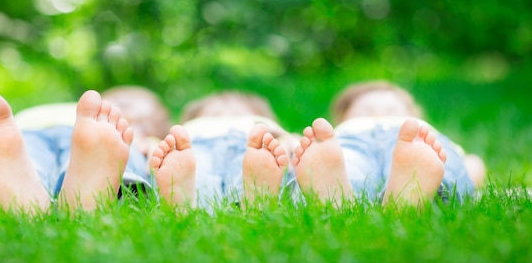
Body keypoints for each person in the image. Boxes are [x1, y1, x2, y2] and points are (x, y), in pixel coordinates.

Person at [0, 85, 172, 218]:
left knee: (115, 159)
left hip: (33, 134)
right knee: (9, 164)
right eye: (120, 101)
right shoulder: (101, 123)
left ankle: (14, 205)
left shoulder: (117, 132)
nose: (122, 107)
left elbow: (157, 160)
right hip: (23, 137)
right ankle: (84, 201)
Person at [291, 80, 486, 207]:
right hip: (353, 139)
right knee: (347, 162)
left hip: (411, 141)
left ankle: (425, 192)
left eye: (392, 110)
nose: (379, 115)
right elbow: (470, 164)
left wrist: (473, 166)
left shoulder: (426, 140)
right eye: (365, 110)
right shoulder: (342, 135)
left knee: (438, 163)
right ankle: (334, 191)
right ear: (341, 120)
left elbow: (470, 163)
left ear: (414, 115)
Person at [148, 90, 299, 209]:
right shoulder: (186, 141)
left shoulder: (273, 136)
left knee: (262, 165)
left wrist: (287, 139)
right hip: (197, 147)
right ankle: (181, 201)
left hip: (251, 146)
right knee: (191, 171)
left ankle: (257, 199)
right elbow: (162, 144)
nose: (227, 117)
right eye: (215, 115)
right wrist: (152, 143)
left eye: (238, 114)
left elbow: (293, 142)